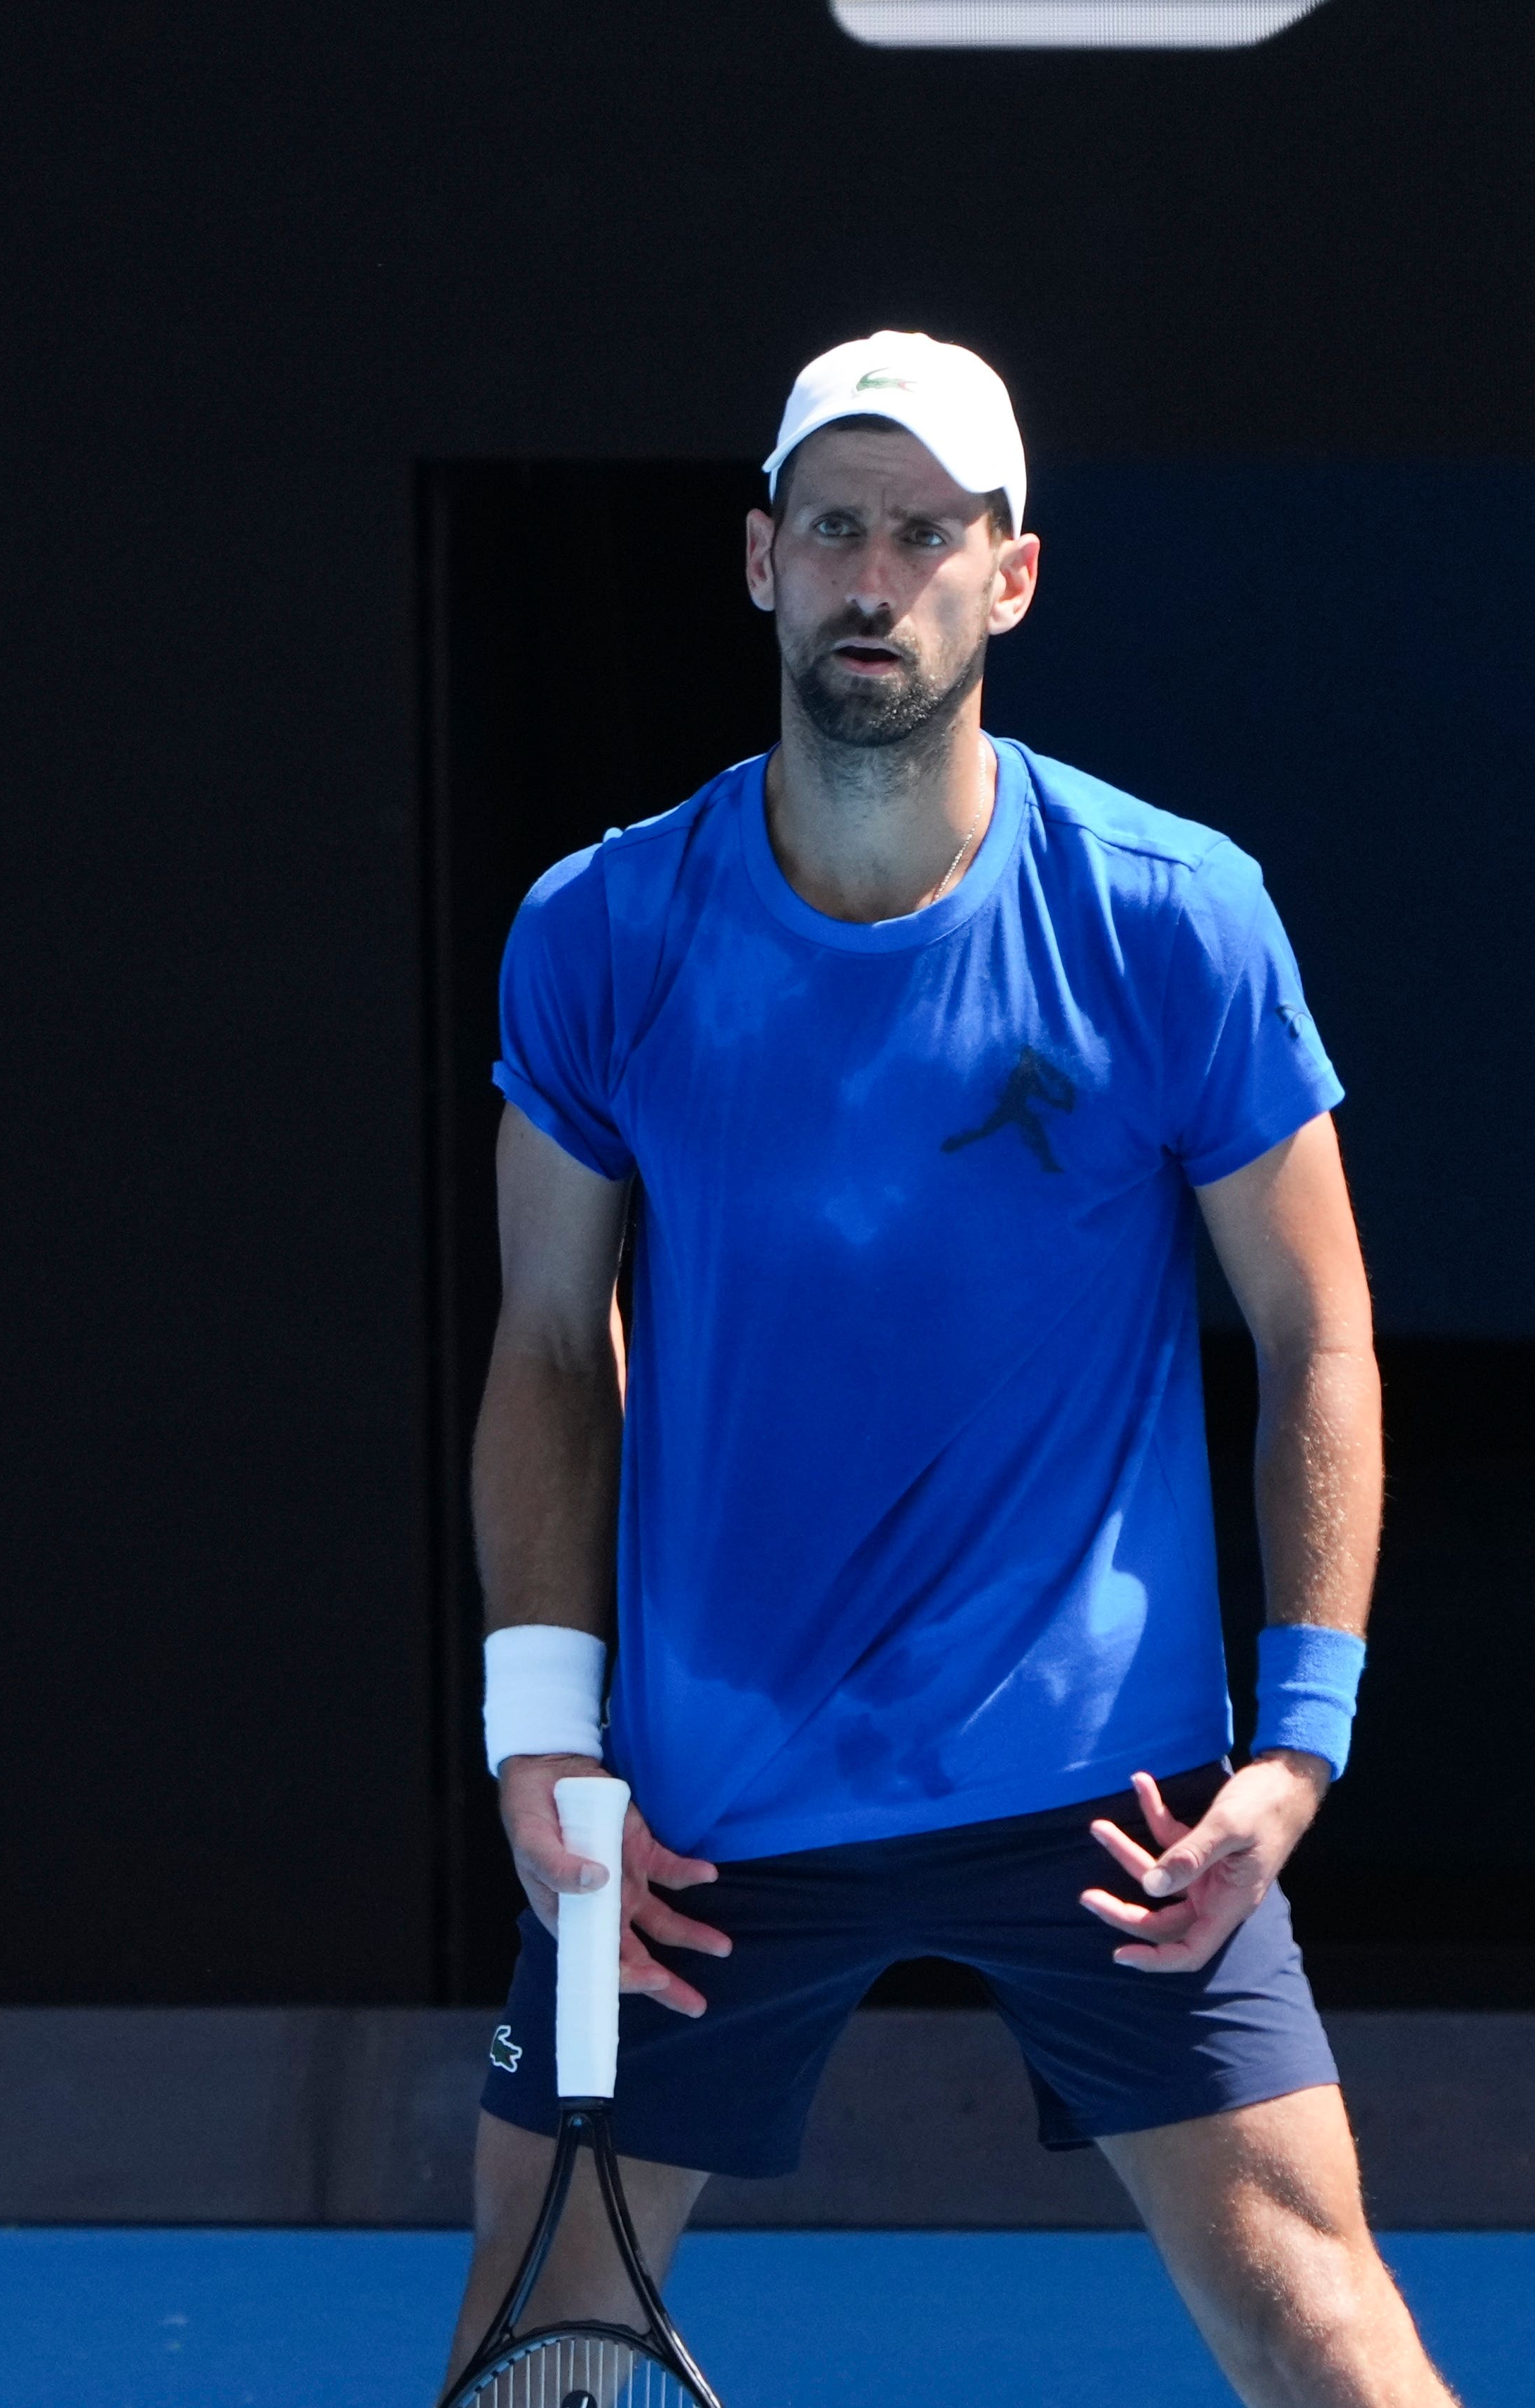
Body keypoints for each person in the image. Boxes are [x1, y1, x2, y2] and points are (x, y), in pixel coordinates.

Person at [448, 329, 1456, 2408]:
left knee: (1313, 2311)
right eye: (835, 527)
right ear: (759, 561)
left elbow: (1317, 1327)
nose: (872, 575)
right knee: (539, 2351)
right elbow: (550, 1340)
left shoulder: (1178, 917)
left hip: (1103, 1786)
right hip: (702, 1805)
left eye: (927, 532)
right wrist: (546, 1740)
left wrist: (1306, 1736)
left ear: (1009, 577)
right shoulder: (601, 929)